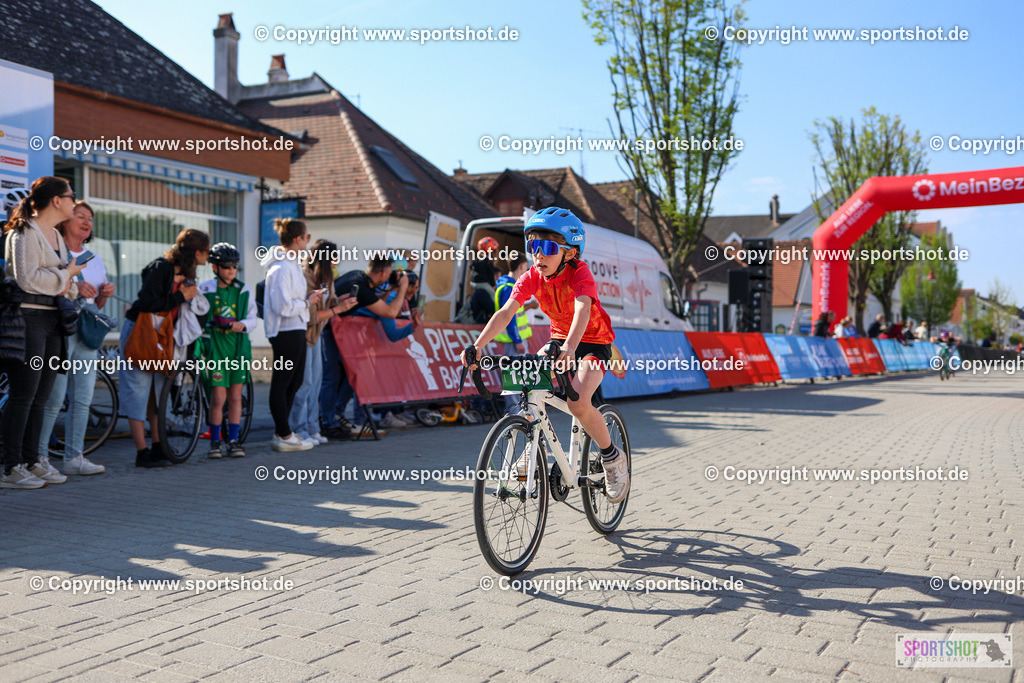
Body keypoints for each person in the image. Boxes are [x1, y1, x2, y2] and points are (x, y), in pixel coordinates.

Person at [460, 207, 629, 503]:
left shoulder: (580, 272)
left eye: (547, 247)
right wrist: (478, 345)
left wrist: (571, 349)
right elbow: (505, 313)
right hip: (560, 340)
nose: (538, 255)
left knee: (578, 403)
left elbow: (582, 310)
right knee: (530, 389)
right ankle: (530, 452)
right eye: (533, 246)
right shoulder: (531, 277)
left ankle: (612, 458)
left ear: (569, 251)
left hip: (591, 342)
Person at [1, 177, 82, 489]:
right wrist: (66, 275)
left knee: (42, 395)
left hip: (52, 321)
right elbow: (27, 280)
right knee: (24, 394)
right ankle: (11, 467)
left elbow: (66, 286)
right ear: (56, 201)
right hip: (27, 320)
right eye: (71, 196)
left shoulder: (56, 237)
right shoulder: (23, 232)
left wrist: (67, 280)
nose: (75, 202)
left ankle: (33, 460)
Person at [121, 228, 209, 468]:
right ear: (197, 252)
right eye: (207, 252)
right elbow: (148, 303)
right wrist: (180, 296)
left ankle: (159, 445)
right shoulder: (163, 268)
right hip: (141, 330)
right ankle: (141, 451)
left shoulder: (185, 273)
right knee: (138, 389)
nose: (208, 257)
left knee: (158, 391)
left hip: (163, 332)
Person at [38, 200, 113, 476]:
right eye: (80, 216)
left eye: (90, 219)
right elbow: (44, 286)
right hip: (61, 327)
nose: (86, 222)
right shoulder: (55, 249)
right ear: (66, 220)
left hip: (87, 330)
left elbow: (98, 306)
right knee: (53, 398)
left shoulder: (94, 257)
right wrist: (72, 285)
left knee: (82, 398)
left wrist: (103, 294)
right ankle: (39, 459)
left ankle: (74, 458)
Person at [320, 255, 408, 437]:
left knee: (344, 377)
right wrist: (403, 289)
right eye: (390, 273)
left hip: (332, 331)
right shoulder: (361, 286)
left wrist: (389, 289)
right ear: (383, 272)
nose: (390, 276)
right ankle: (328, 423)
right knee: (332, 378)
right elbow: (390, 312)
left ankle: (333, 418)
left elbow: (373, 299)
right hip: (328, 331)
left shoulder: (357, 276)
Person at [261, 218, 323, 452]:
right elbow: (282, 306)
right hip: (285, 330)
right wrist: (306, 302)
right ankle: (283, 433)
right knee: (283, 381)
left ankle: (283, 431)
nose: (308, 241)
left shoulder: (292, 265)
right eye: (307, 237)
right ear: (297, 239)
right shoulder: (280, 268)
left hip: (296, 327)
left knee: (295, 381)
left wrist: (307, 302)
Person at [289, 240, 356, 444]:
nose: (337, 261)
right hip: (304, 334)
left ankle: (312, 428)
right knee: (305, 384)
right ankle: (298, 429)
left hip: (317, 335)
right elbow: (311, 316)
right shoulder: (305, 276)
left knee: (316, 382)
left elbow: (330, 301)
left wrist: (340, 301)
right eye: (334, 257)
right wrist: (338, 309)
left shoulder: (327, 277)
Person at [198, 243, 259, 458]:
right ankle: (216, 441)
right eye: (226, 266)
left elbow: (253, 317)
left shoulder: (243, 289)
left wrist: (242, 324)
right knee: (218, 398)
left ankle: (233, 440)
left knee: (235, 397)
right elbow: (196, 315)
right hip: (216, 350)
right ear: (215, 268)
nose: (231, 270)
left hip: (238, 350)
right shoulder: (205, 289)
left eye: (234, 266)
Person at [494, 254, 534, 411]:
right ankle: (513, 409)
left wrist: (523, 338)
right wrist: (518, 340)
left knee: (518, 372)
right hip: (512, 339)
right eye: (526, 267)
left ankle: (520, 408)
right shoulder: (509, 288)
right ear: (522, 266)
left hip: (516, 338)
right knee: (512, 373)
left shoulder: (509, 285)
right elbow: (508, 318)